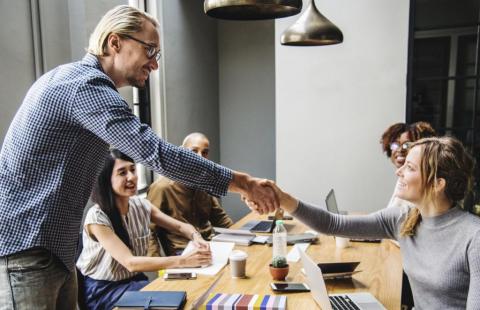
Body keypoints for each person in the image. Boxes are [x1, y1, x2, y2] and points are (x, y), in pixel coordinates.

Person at [0, 5, 276, 309]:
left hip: (52, 251)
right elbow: (156, 153)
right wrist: (243, 183)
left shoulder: (79, 83)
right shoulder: (85, 86)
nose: (154, 64)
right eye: (150, 51)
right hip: (28, 250)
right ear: (114, 42)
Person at [262, 136, 480, 309]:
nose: (399, 172)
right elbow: (332, 224)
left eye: (410, 168)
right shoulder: (403, 218)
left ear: (437, 184)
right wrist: (283, 199)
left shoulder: (473, 237)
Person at [76, 150, 211, 309]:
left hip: (134, 282)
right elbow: (130, 263)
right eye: (122, 173)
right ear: (106, 180)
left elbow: (181, 226)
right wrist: (184, 261)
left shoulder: (140, 205)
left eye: (133, 169)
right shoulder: (97, 218)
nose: (131, 177)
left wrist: (196, 236)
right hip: (103, 291)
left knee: (184, 293)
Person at [147, 133, 233, 256]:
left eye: (205, 153)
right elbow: (149, 230)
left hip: (210, 246)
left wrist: (240, 240)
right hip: (182, 253)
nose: (200, 158)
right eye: (194, 151)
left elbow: (220, 219)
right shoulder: (161, 188)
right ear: (181, 152)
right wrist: (157, 264)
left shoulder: (204, 183)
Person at [380, 121, 436, 208]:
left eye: (406, 144)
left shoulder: (416, 183)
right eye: (395, 145)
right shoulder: (402, 177)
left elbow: (392, 219)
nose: (400, 150)